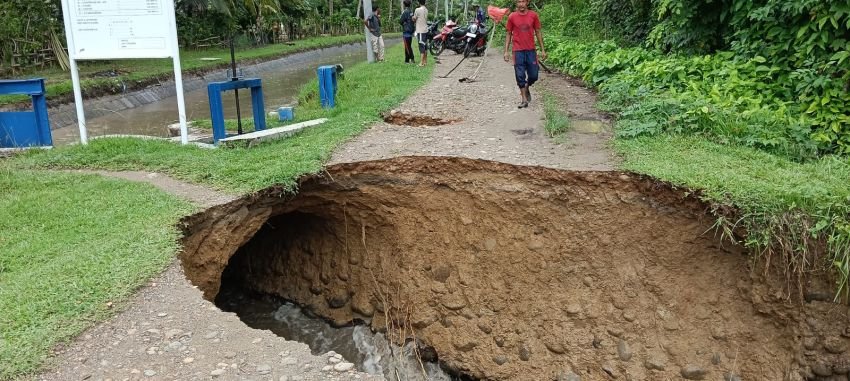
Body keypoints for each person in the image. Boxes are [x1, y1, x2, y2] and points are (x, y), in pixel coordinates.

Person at [503, 0, 546, 108]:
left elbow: (538, 32)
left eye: (523, 1)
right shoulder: (512, 16)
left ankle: (527, 87)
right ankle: (524, 99)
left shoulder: (533, 15)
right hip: (518, 51)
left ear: (527, 2)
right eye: (518, 1)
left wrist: (543, 49)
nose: (521, 4)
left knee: (534, 75)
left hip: (531, 50)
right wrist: (506, 51)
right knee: (520, 75)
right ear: (516, 3)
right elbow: (508, 33)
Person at [412, 0, 429, 67]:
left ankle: (421, 63)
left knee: (421, 46)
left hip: (420, 30)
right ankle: (425, 61)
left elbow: (414, 19)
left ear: (419, 3)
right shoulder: (426, 10)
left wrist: (412, 17)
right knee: (425, 46)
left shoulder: (417, 10)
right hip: (425, 30)